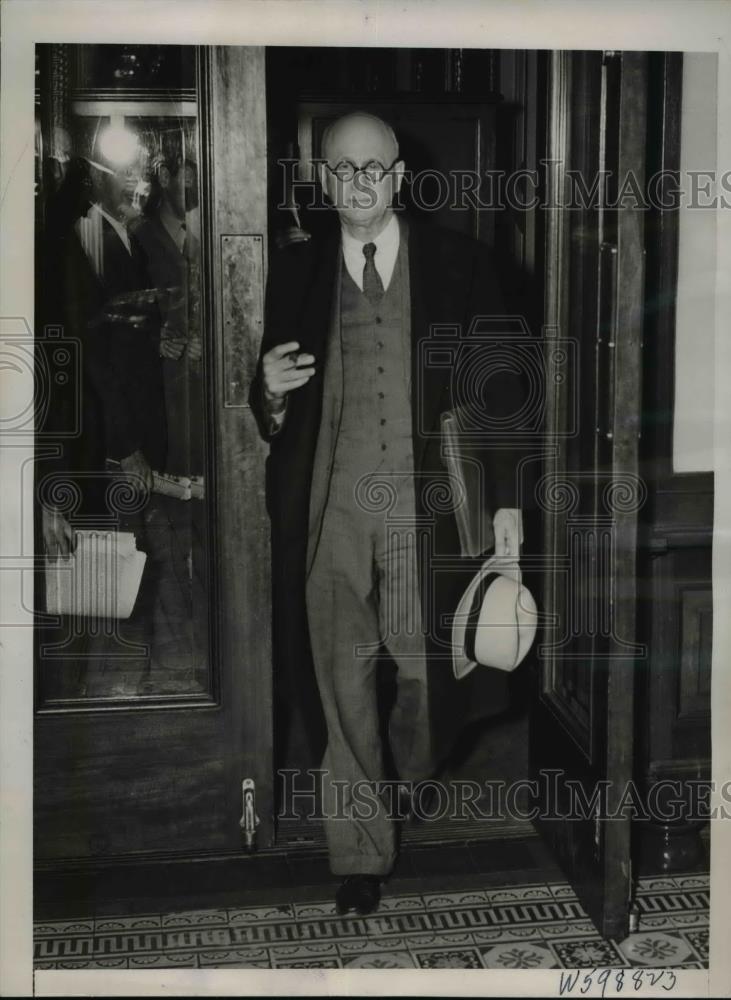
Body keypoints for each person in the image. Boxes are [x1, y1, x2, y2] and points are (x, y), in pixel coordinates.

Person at [250, 112, 529, 915]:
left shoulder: (460, 263)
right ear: (324, 180)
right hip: (326, 505)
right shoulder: (293, 272)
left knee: (423, 672)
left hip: (424, 504)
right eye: (344, 169)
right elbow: (265, 393)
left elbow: (503, 392)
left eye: (374, 168)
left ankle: (402, 782)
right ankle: (360, 852)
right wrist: (265, 388)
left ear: (399, 176)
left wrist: (507, 505)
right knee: (340, 681)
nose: (360, 183)